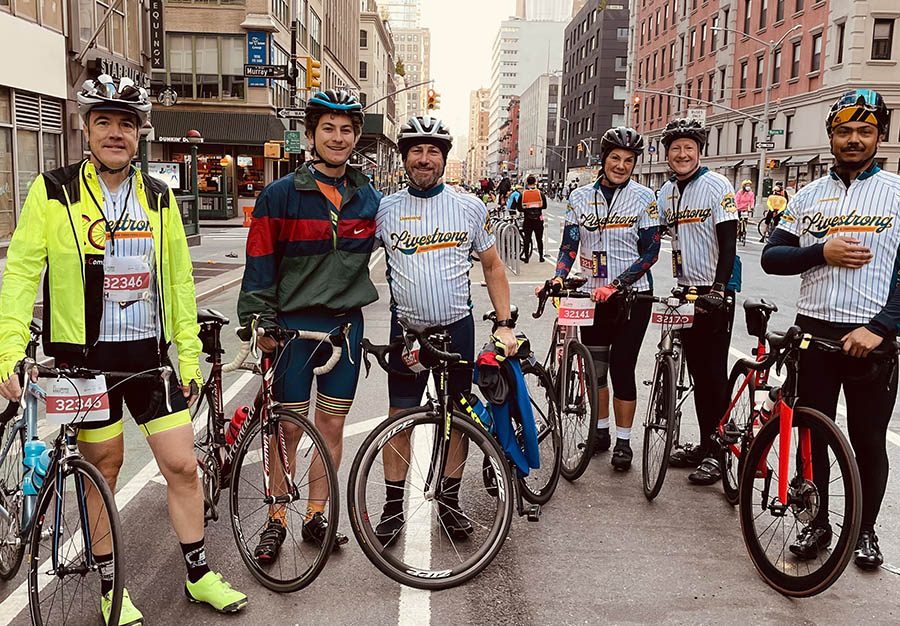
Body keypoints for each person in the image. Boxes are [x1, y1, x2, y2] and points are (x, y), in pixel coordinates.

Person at [0, 75, 247, 624]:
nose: (116, 133)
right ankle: (112, 587)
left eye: (127, 123)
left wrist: (186, 354)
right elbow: (20, 274)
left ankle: (199, 575)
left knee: (183, 466)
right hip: (85, 363)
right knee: (105, 467)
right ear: (85, 128)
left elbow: (179, 282)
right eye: (104, 122)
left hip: (148, 358)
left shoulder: (158, 198)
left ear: (140, 134)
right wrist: (8, 349)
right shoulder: (54, 190)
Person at [238, 90, 380, 560]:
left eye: (346, 130)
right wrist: (259, 320)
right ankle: (278, 515)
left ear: (356, 136)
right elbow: (259, 261)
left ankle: (317, 513)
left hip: (343, 330)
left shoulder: (369, 199)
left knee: (331, 427)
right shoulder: (279, 195)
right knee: (288, 428)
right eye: (328, 129)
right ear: (312, 134)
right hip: (292, 330)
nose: (338, 138)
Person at [761, 89, 899, 569]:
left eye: (865, 131)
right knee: (813, 436)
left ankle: (865, 532)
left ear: (880, 135)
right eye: (844, 131)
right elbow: (771, 257)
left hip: (870, 340)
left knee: (867, 439)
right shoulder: (808, 195)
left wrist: (881, 328)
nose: (854, 139)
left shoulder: (897, 194)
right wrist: (821, 251)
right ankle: (817, 523)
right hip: (813, 334)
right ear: (832, 137)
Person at [372, 116, 518, 545]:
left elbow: (492, 266)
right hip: (408, 333)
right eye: (415, 150)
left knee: (456, 418)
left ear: (444, 159)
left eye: (433, 150)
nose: (424, 158)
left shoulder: (470, 207)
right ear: (404, 159)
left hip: (457, 329)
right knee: (399, 418)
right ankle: (392, 507)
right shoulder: (386, 209)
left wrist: (505, 322)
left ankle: (449, 502)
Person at [540, 127, 660, 470]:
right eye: (615, 158)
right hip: (593, 296)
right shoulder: (579, 198)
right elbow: (569, 245)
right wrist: (559, 277)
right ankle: (601, 431)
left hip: (633, 297)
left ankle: (624, 442)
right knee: (596, 371)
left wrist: (618, 285)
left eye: (628, 160)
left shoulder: (644, 198)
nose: (621, 165)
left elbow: (650, 252)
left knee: (623, 368)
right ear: (603, 160)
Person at [655, 118, 740, 485]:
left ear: (699, 151)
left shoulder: (717, 185)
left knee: (711, 376)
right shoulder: (667, 193)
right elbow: (651, 234)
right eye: (675, 149)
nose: (682, 154)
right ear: (668, 156)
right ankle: (706, 444)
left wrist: (720, 289)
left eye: (688, 148)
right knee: (692, 373)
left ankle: (717, 454)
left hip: (714, 292)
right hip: (685, 290)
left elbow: (729, 242)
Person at [519, 174, 548, 263]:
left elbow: (519, 208)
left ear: (527, 183)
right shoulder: (540, 193)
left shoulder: (523, 194)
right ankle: (541, 257)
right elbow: (545, 206)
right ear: (535, 182)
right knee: (539, 239)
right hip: (538, 219)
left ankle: (527, 258)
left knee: (527, 238)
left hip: (527, 219)